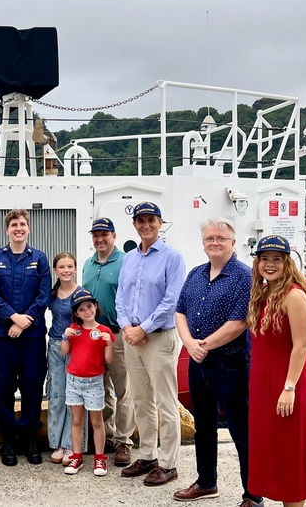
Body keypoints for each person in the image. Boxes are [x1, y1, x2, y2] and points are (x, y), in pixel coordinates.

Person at [172, 218, 262, 506]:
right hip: (198, 364)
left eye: (221, 238)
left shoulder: (245, 276)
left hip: (230, 364)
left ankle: (253, 494)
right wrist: (189, 344)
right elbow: (180, 311)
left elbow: (239, 322)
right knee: (204, 426)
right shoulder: (196, 274)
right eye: (209, 238)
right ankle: (206, 482)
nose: (214, 243)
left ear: (233, 243)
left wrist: (204, 346)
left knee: (241, 430)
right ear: (203, 243)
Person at [115, 201, 185, 487]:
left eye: (151, 220)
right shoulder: (129, 258)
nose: (146, 225)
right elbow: (121, 296)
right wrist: (128, 328)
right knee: (141, 400)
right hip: (132, 338)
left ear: (160, 223)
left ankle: (168, 464)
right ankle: (147, 456)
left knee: (166, 402)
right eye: (140, 221)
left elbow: (172, 300)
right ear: (134, 225)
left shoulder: (172, 257)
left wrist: (143, 327)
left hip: (159, 339)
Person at [247, 235, 306, 506]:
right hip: (263, 385)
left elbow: (302, 346)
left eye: (277, 259)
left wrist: (289, 388)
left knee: (289, 458)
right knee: (271, 454)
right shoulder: (264, 293)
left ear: (287, 262)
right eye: (264, 258)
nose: (270, 264)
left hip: (286, 385)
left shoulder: (294, 295)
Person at [0, 208, 52, 466]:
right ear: (7, 229)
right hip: (2, 337)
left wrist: (24, 323)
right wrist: (13, 318)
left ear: (29, 228)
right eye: (14, 224)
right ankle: (8, 440)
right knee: (3, 389)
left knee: (32, 388)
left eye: (23, 224)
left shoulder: (40, 259)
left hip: (32, 337)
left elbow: (44, 295)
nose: (19, 228)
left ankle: (27, 437)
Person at [82, 217, 134, 467]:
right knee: (99, 389)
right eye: (96, 235)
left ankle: (124, 441)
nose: (100, 239)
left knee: (124, 390)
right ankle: (107, 436)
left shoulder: (126, 261)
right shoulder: (88, 264)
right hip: (94, 336)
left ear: (114, 236)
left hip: (118, 334)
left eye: (105, 234)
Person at [61, 288, 114, 477]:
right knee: (76, 420)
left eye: (89, 306)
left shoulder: (104, 331)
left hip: (94, 381)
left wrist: (109, 343)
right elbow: (64, 352)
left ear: (95, 307)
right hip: (74, 380)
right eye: (81, 309)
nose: (86, 311)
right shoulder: (74, 330)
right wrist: (64, 337)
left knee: (97, 421)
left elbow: (109, 360)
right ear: (76, 313)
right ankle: (77, 456)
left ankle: (100, 458)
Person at [46, 252, 84, 466]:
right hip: (55, 347)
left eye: (70, 266)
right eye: (62, 267)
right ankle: (57, 443)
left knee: (75, 396)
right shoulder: (51, 294)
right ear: (56, 270)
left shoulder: (82, 293)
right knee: (57, 394)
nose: (66, 270)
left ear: (76, 269)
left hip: (76, 348)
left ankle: (72, 443)